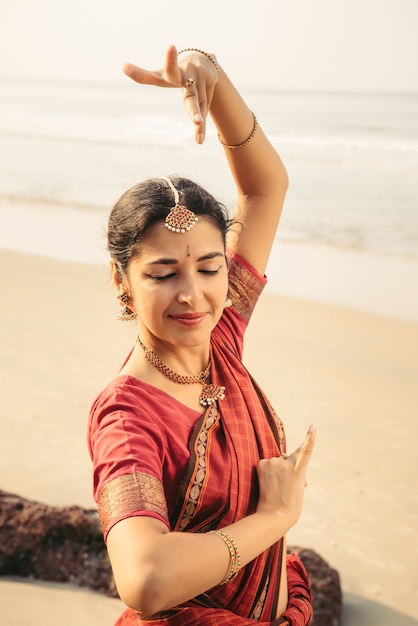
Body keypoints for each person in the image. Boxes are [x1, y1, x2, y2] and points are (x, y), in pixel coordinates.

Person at [87, 45, 317, 626]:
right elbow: (145, 578)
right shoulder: (126, 415)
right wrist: (275, 519)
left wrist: (212, 76)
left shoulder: (221, 340)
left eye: (210, 268)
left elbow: (266, 189)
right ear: (122, 280)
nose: (193, 295)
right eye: (163, 275)